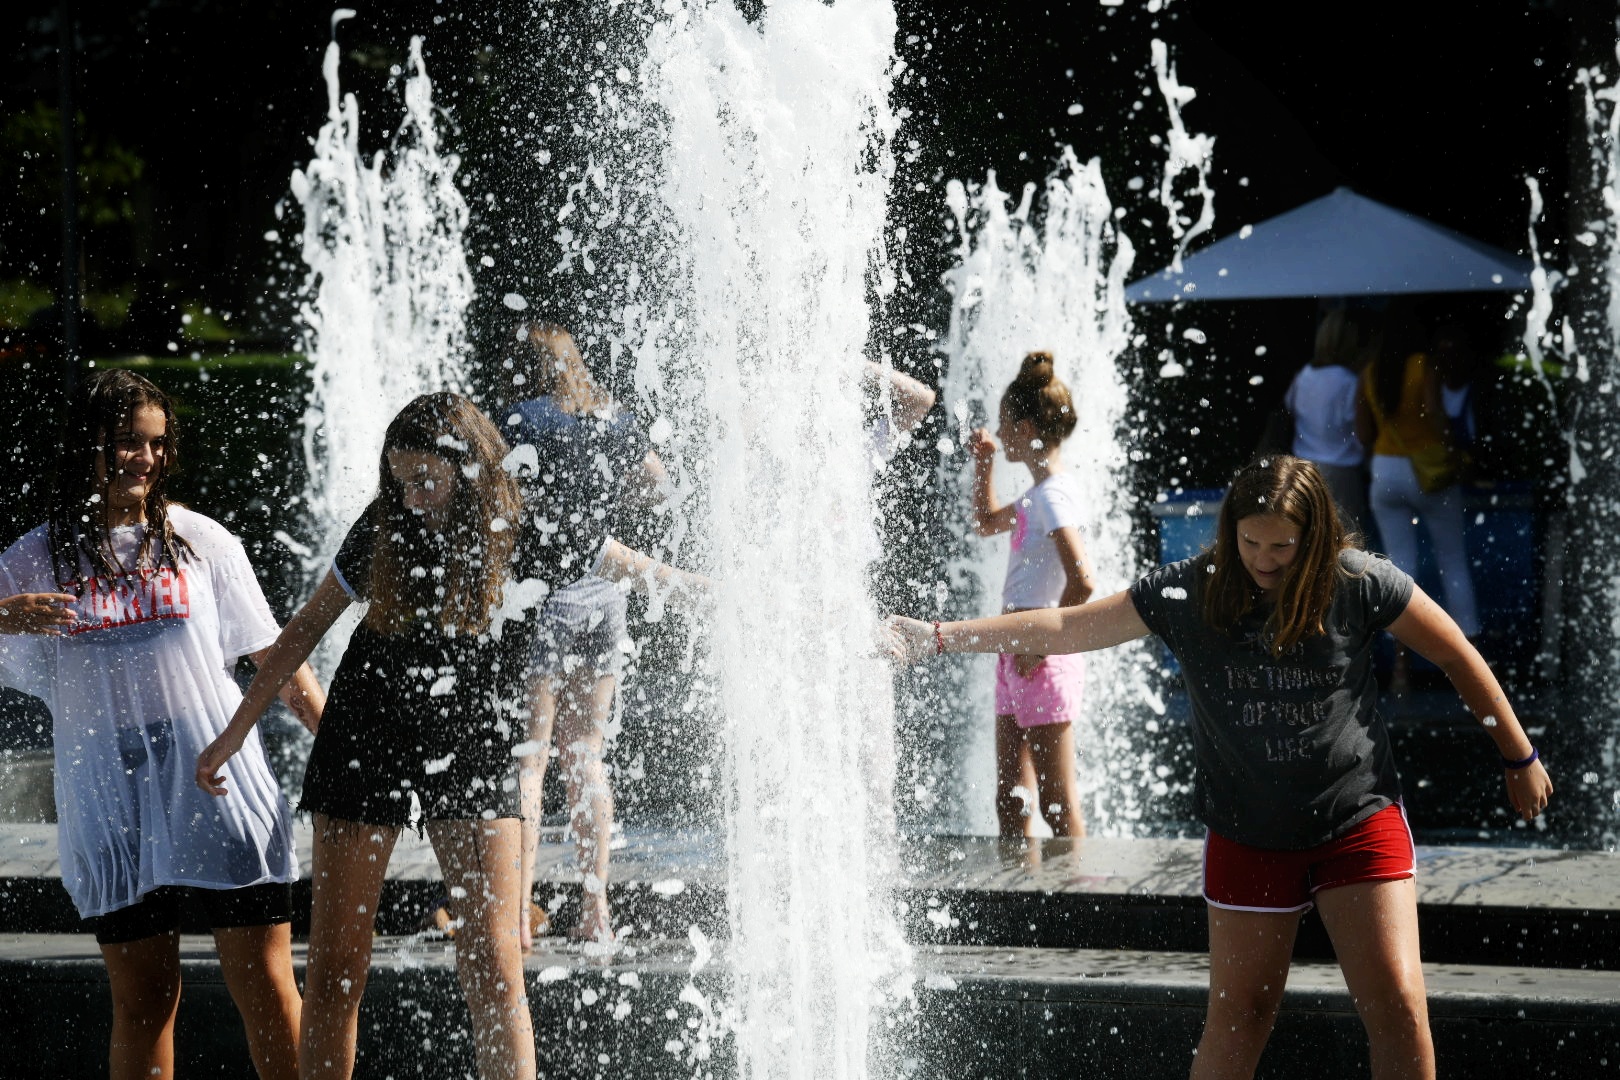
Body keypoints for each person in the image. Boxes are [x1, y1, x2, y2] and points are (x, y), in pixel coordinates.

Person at [885, 454, 1552, 1080]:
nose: (1264, 559)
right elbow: (1067, 627)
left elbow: (1456, 653)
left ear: (1315, 539)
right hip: (1247, 834)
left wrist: (1518, 754)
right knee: (1240, 1019)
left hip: (1356, 820)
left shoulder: (1357, 582)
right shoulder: (1189, 590)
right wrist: (937, 637)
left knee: (1399, 1006)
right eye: (1250, 542)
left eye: (1282, 547)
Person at [196, 391, 701, 1080]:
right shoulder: (384, 525)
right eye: (399, 481)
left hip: (472, 736)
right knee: (339, 965)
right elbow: (302, 632)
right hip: (367, 726)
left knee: (495, 963)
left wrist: (738, 598)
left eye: (425, 480)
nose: (411, 498)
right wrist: (234, 733)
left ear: (471, 467)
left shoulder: (531, 521)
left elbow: (645, 571)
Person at [0, 368, 323, 1080]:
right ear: (85, 446)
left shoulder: (198, 539)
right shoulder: (32, 558)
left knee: (268, 986)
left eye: (155, 443)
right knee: (145, 999)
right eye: (126, 441)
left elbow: (273, 655)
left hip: (218, 783)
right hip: (110, 800)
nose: (144, 458)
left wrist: (334, 744)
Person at [502, 323, 669, 947]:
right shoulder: (613, 419)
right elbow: (656, 484)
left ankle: (519, 915)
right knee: (586, 755)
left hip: (544, 601)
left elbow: (497, 503)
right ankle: (595, 909)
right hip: (605, 594)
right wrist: (600, 497)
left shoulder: (518, 422)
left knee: (532, 761)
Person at [965, 351, 1095, 839]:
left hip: (1041, 656)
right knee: (1011, 798)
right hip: (1016, 651)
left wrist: (1041, 646)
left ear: (1024, 428)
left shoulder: (1055, 496)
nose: (1000, 433)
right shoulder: (1035, 496)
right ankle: (1018, 885)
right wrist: (984, 465)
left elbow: (1083, 581)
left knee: (1056, 803)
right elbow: (984, 524)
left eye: (1004, 425)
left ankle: (1080, 885)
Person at [1356, 317, 1480, 650]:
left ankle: (1400, 663)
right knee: (1452, 560)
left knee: (1398, 568)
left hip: (1384, 470)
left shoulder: (1370, 371)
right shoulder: (1424, 365)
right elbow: (1436, 415)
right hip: (1427, 468)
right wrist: (1454, 452)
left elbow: (1363, 433)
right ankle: (1470, 653)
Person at [1284, 304, 1377, 530]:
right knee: (1347, 538)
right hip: (1342, 470)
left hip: (1303, 467)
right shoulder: (1349, 381)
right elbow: (1362, 431)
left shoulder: (1304, 376)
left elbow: (1290, 411)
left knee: (1310, 535)